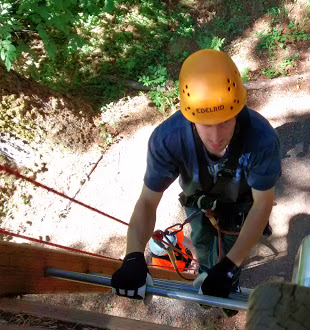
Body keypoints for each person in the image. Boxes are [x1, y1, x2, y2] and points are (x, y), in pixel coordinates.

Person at [111, 49, 282, 309]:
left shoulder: (261, 139)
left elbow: (262, 203)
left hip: (243, 209)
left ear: (238, 109)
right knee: (203, 245)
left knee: (233, 252)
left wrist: (229, 265)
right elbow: (147, 201)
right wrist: (133, 255)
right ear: (190, 117)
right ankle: (206, 274)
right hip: (200, 206)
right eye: (205, 123)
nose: (216, 136)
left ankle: (228, 280)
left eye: (225, 121)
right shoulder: (168, 140)